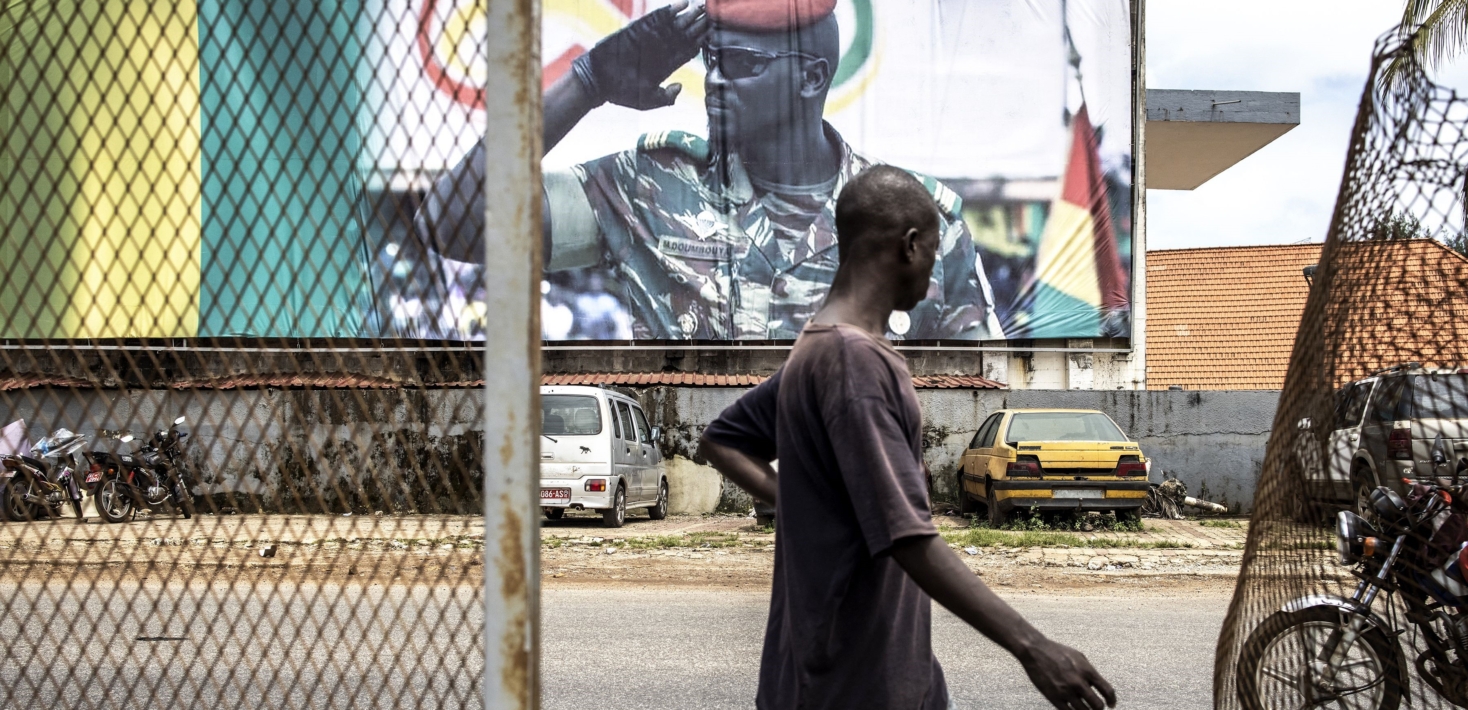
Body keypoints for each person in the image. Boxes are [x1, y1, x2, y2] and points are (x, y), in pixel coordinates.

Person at [697, 166, 1116, 709]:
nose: (936, 268)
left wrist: (806, 505)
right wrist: (1034, 648)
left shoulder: (818, 348)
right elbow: (908, 538)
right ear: (911, 245)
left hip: (848, 671)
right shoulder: (855, 363)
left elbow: (720, 440)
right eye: (937, 250)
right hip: (854, 685)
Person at [415, 0, 1004, 341]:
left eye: (742, 64)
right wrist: (587, 81)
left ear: (811, 79)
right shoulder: (650, 186)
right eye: (711, 60)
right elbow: (453, 223)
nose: (716, 80)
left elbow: (981, 388)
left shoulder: (920, 217)